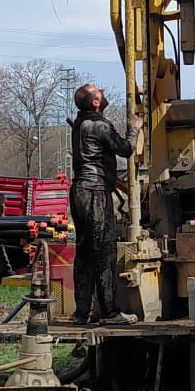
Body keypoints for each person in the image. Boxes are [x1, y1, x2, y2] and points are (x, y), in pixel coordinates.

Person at [69, 84, 142, 323]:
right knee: (104, 251)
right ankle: (110, 312)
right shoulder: (98, 125)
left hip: (79, 191)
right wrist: (135, 129)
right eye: (97, 91)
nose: (101, 90)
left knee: (84, 253)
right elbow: (125, 149)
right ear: (96, 102)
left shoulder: (79, 124)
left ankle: (82, 313)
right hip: (96, 192)